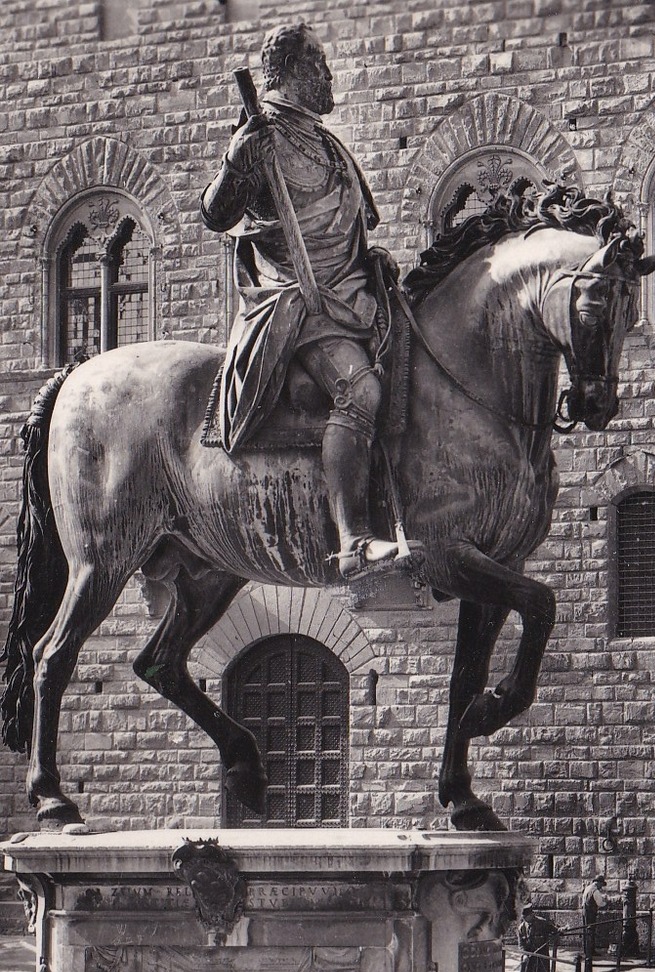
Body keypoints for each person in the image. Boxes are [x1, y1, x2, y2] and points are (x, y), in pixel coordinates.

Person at [202, 23, 413, 578]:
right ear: (291, 72)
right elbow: (215, 214)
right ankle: (353, 541)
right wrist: (235, 164)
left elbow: (346, 227)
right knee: (362, 391)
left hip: (349, 291)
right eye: (319, 67)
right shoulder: (260, 135)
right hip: (298, 301)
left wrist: (374, 258)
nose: (328, 77)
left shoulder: (324, 141)